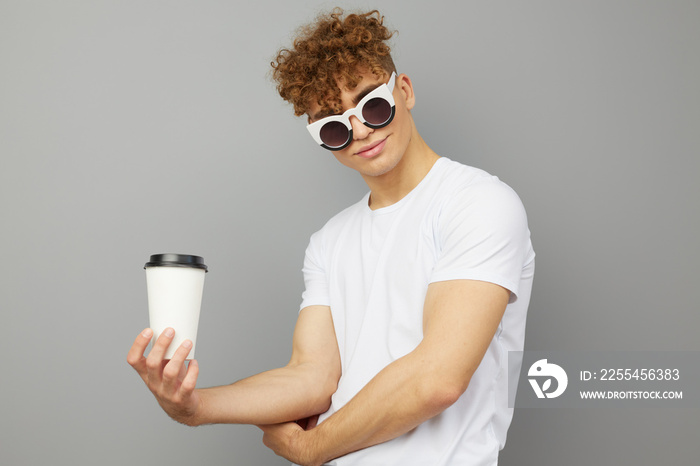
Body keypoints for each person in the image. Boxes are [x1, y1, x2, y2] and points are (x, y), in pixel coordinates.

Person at [127, 9, 535, 466]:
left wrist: (310, 447)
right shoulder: (329, 241)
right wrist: (194, 406)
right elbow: (312, 378)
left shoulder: (478, 203)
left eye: (372, 106)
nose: (359, 131)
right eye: (334, 127)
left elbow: (437, 379)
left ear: (404, 91)